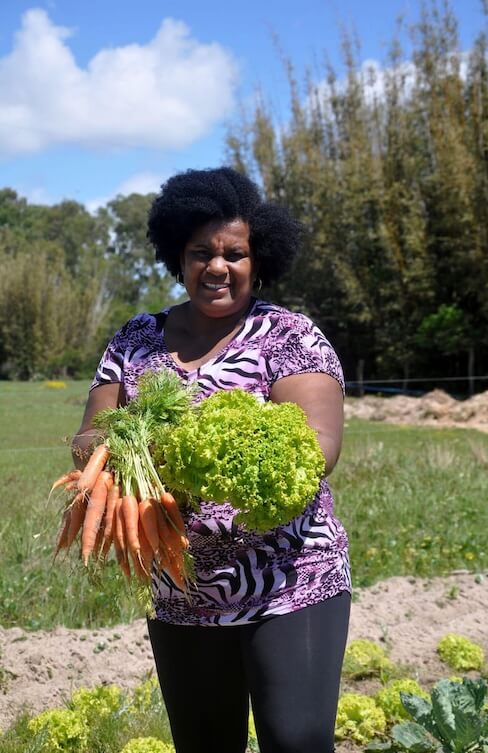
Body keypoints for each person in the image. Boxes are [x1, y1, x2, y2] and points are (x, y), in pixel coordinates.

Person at [73, 167, 351, 753]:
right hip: (180, 589)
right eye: (201, 252)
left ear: (258, 261)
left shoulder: (290, 336)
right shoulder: (134, 342)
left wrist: (233, 456)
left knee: (296, 741)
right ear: (179, 257)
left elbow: (319, 445)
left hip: (289, 580)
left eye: (235, 253)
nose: (217, 267)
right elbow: (89, 435)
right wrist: (117, 452)